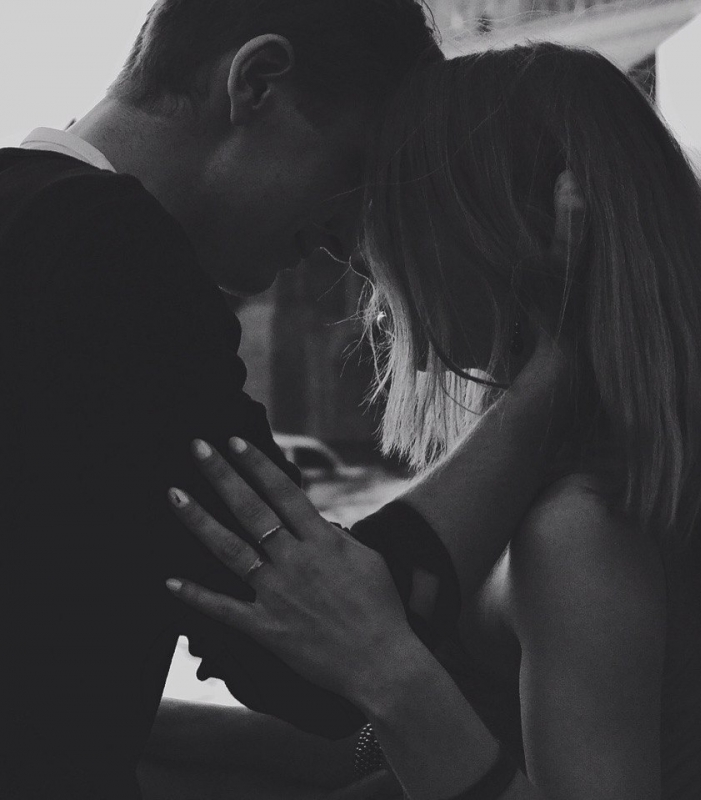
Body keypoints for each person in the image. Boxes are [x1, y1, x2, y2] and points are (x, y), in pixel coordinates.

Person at [160, 44, 701, 800]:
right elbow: (437, 750)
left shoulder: (581, 529)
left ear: (500, 231)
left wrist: (385, 667)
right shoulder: (632, 472)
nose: (367, 260)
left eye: (400, 219)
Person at [0, 5, 578, 799]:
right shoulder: (106, 249)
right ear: (257, 81)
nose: (349, 238)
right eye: (353, 169)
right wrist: (555, 377)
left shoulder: (31, 219)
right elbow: (304, 656)